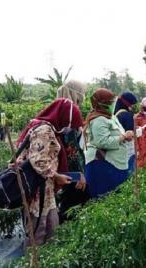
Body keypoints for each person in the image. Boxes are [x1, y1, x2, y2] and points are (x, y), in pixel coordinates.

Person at [15, 98, 82, 246]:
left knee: (50, 225)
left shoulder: (48, 128)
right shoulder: (44, 130)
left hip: (45, 187)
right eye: (69, 125)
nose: (68, 129)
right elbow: (38, 160)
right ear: (63, 117)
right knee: (38, 231)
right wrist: (57, 176)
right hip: (37, 189)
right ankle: (33, 261)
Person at [84, 88, 135, 198]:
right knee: (104, 199)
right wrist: (123, 137)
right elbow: (102, 142)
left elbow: (116, 134)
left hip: (114, 164)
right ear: (102, 103)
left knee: (115, 199)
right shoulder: (99, 119)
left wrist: (126, 136)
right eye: (111, 102)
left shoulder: (110, 117)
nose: (113, 104)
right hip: (104, 165)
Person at [55, 80, 90, 222]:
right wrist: (78, 175)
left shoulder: (57, 107)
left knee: (63, 202)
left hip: (57, 167)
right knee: (72, 207)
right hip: (69, 170)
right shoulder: (70, 112)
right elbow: (72, 149)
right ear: (77, 94)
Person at [114, 91, 138, 174]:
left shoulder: (114, 113)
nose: (133, 106)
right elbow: (130, 133)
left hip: (117, 147)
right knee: (129, 172)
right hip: (127, 148)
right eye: (132, 104)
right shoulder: (127, 115)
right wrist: (138, 131)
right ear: (128, 103)